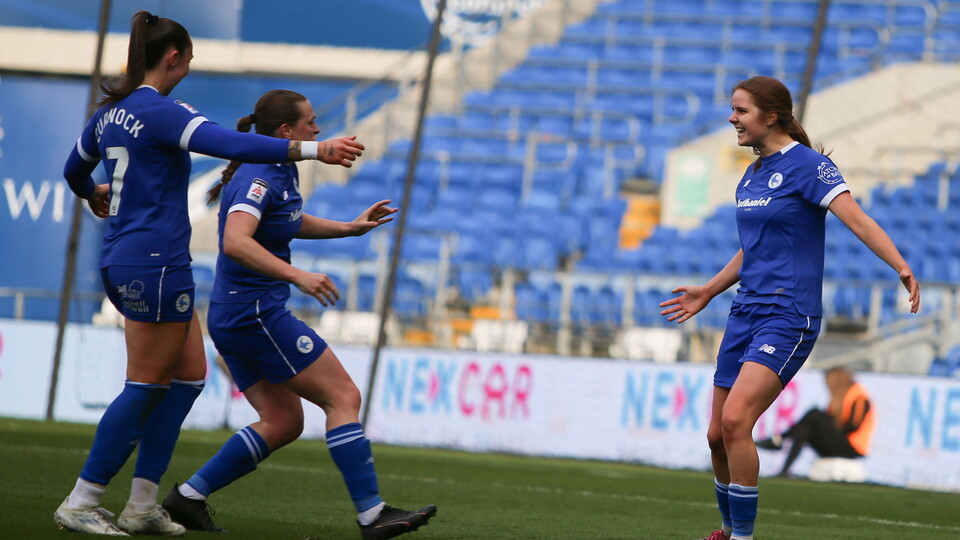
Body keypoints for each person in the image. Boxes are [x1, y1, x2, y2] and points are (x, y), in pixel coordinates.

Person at [57, 11, 364, 536]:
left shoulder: (110, 114)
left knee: (188, 379)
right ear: (173, 56)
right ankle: (82, 499)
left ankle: (142, 504)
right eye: (189, 58)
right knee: (145, 384)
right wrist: (317, 149)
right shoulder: (162, 112)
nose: (189, 67)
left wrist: (94, 193)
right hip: (153, 262)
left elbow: (73, 169)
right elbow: (235, 145)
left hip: (135, 258)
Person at [160, 89, 437, 540]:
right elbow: (234, 240)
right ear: (286, 131)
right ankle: (373, 515)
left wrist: (349, 228)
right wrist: (298, 275)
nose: (318, 129)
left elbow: (288, 220)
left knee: (284, 422)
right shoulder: (259, 175)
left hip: (238, 315)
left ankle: (187, 499)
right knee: (343, 397)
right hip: (254, 315)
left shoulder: (280, 169)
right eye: (310, 121)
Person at [658, 76, 919, 540]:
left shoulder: (809, 167)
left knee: (738, 421)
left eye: (740, 111)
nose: (731, 118)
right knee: (716, 433)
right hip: (745, 311)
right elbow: (753, 249)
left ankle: (743, 537)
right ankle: (725, 529)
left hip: (788, 314)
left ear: (770, 115)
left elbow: (856, 218)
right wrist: (709, 291)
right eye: (733, 110)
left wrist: (899, 265)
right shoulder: (752, 174)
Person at [755, 366, 875, 477]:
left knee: (814, 414)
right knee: (804, 429)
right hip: (836, 445)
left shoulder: (859, 397)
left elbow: (853, 426)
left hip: (851, 449)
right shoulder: (840, 399)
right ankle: (784, 470)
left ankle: (779, 439)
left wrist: (830, 426)